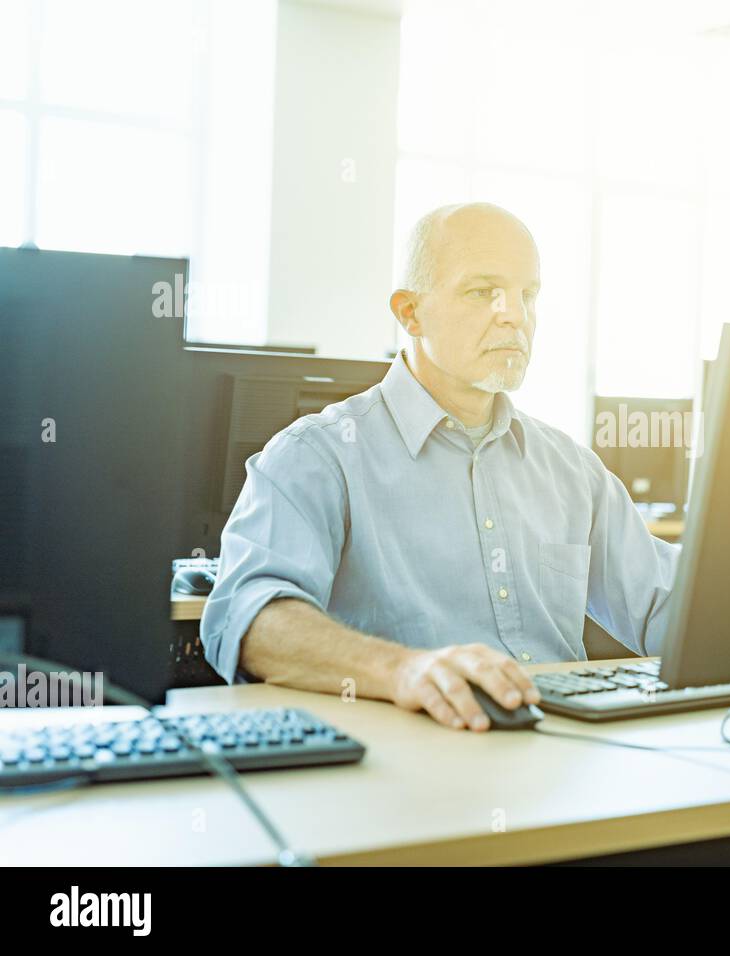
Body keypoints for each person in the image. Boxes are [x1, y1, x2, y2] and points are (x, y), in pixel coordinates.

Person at [200, 203, 679, 732]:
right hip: (405, 762)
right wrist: (403, 670)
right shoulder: (317, 456)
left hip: (558, 754)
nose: (515, 315)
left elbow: (668, 608)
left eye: (528, 295)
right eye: (482, 292)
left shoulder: (571, 470)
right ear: (410, 313)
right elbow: (249, 618)